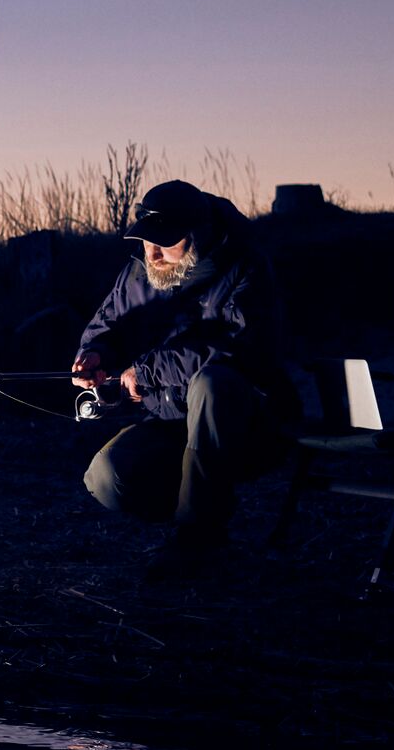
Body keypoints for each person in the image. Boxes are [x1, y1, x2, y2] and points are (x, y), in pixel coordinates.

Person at [71, 179, 296, 579]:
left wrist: (147, 370)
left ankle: (198, 536)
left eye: (165, 242)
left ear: (198, 234)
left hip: (246, 419)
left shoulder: (246, 267)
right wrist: (95, 355)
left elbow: (238, 350)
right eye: (145, 242)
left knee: (214, 382)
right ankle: (200, 503)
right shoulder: (139, 273)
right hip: (170, 419)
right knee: (106, 479)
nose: (153, 253)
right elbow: (104, 326)